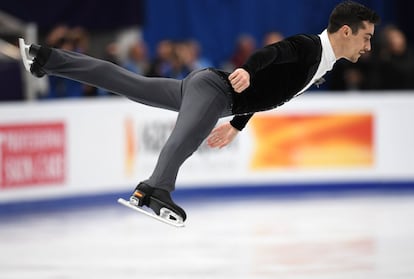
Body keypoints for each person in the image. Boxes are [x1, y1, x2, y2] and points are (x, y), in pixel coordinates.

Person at [19, 0, 380, 226]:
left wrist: (237, 125)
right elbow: (272, 53)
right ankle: (155, 189)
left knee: (127, 83)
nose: (368, 46)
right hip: (215, 89)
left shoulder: (325, 65)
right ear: (345, 31)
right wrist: (249, 69)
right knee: (186, 136)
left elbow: (270, 88)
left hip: (211, 92)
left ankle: (47, 59)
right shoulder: (309, 47)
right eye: (365, 38)